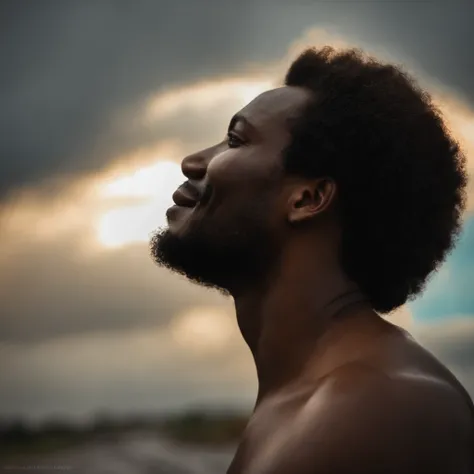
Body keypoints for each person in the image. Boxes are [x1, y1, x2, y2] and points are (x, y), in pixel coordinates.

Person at [150, 46, 473, 473]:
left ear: (307, 198)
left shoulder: (376, 407)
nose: (193, 162)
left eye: (235, 139)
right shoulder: (313, 400)